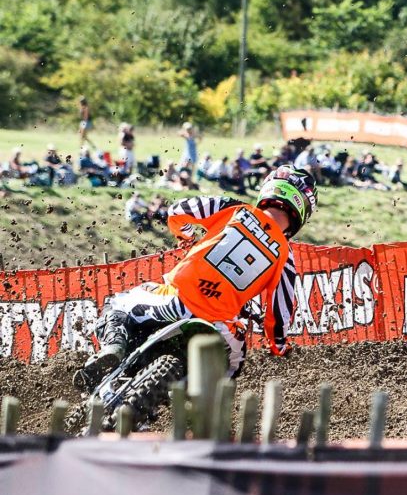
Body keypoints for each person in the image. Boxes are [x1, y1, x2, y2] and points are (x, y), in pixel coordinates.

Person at [73, 167, 317, 389]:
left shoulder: (233, 209)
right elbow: (279, 314)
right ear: (303, 209)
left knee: (118, 303)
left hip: (174, 302)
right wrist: (279, 346)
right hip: (220, 327)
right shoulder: (286, 257)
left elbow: (178, 211)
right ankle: (196, 412)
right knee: (230, 372)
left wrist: (186, 238)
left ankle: (114, 347)